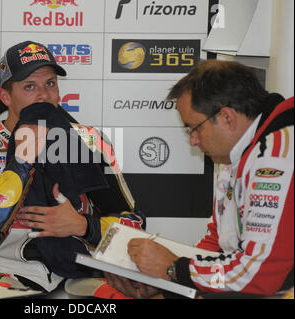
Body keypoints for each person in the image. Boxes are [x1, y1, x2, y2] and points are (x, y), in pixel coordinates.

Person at [0, 41, 145, 293]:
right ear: (5, 96)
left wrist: (83, 225)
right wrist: (20, 163)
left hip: (84, 272)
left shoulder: (92, 142)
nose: (44, 96)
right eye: (29, 87)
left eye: (50, 83)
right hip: (8, 275)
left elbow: (134, 227)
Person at [105, 59, 294, 298]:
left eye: (194, 128)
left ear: (227, 117)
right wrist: (167, 282)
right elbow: (218, 242)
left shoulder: (276, 154)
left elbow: (260, 274)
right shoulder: (236, 153)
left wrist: (174, 270)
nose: (193, 140)